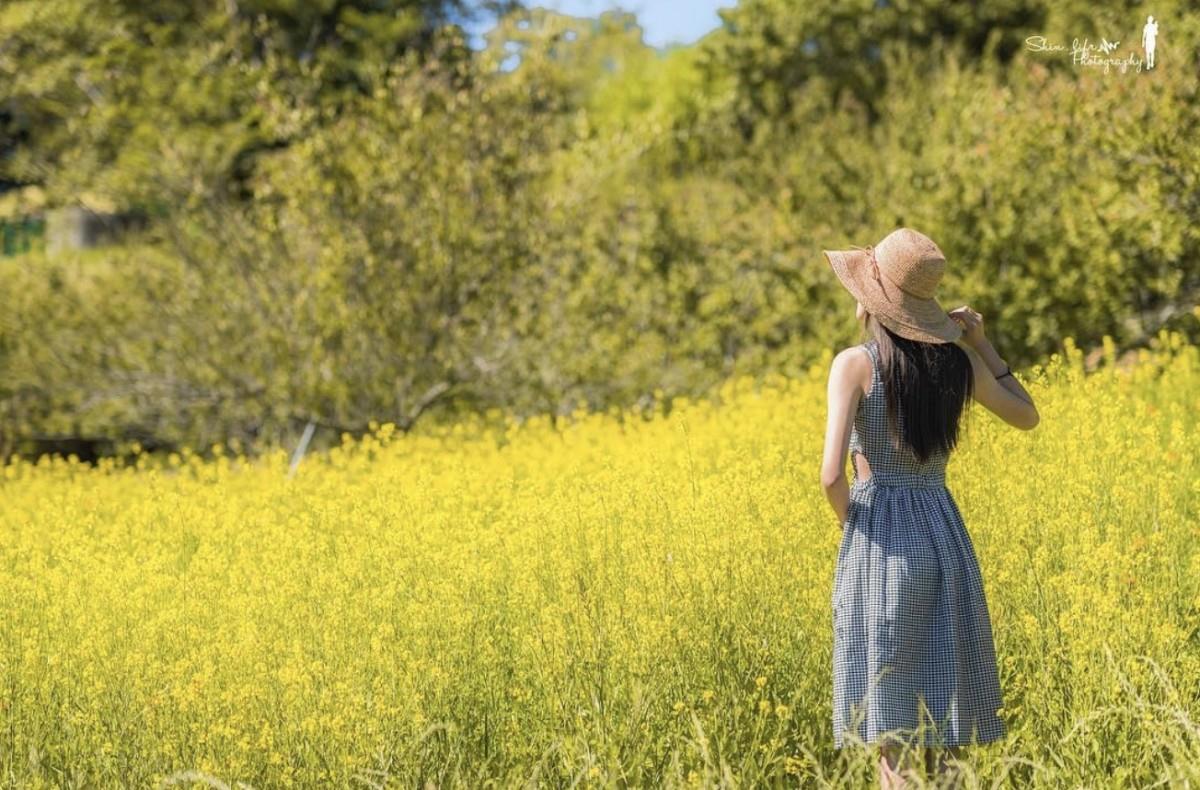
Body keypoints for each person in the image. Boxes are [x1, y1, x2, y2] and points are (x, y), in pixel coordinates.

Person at [818, 228, 1039, 788]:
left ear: (873, 299)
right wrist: (981, 343)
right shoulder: (958, 366)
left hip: (881, 541)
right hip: (943, 534)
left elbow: (829, 476)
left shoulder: (853, 364)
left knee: (890, 728)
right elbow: (1026, 414)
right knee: (946, 713)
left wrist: (859, 529)